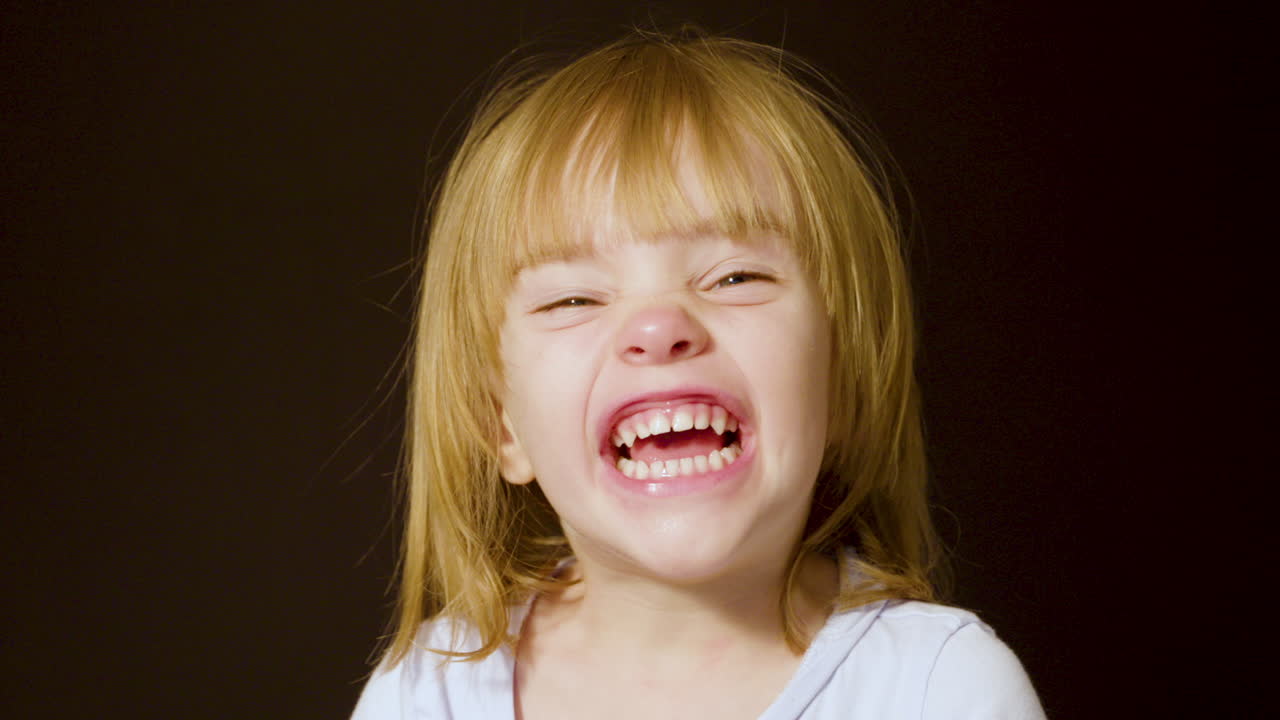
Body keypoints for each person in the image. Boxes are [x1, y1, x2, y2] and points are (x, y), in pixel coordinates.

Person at [352, 28, 1045, 719]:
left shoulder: (939, 691)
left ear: (843, 384)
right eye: (574, 299)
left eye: (736, 276)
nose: (660, 328)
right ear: (500, 424)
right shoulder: (423, 694)